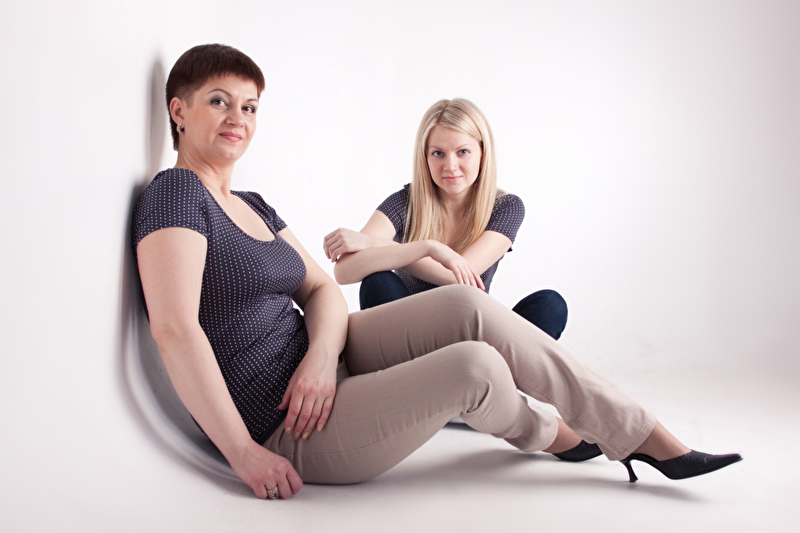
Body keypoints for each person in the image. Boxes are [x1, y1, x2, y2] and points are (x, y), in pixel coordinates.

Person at [132, 44, 741, 500]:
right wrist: (243, 452)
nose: (237, 117)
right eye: (219, 101)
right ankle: (557, 434)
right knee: (477, 366)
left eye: (249, 106)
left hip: (326, 365)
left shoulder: (253, 203)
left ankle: (641, 433)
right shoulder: (176, 193)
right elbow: (175, 329)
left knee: (472, 307)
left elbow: (320, 288)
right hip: (288, 422)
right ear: (179, 111)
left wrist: (319, 357)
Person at [324, 98, 568, 340]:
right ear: (425, 157)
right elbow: (344, 271)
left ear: (483, 153)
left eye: (463, 152)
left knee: (550, 305)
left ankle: (479, 362)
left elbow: (459, 276)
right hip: (412, 336)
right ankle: (426, 363)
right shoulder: (404, 202)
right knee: (378, 282)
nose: (450, 166)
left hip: (471, 330)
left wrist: (378, 245)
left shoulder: (506, 207)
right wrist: (426, 248)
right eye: (438, 153)